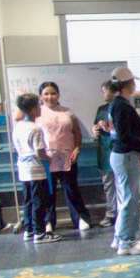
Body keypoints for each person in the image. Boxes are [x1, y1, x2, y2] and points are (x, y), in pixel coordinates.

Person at [37, 81, 93, 231]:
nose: (50, 97)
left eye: (53, 93)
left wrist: (77, 149)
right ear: (40, 96)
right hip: (47, 159)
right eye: (46, 94)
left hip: (68, 157)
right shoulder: (37, 114)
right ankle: (48, 221)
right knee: (48, 191)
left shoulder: (68, 112)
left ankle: (80, 218)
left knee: (71, 189)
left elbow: (77, 132)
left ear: (58, 95)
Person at [107, 67, 140, 255]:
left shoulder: (117, 104)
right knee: (131, 199)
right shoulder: (122, 106)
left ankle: (120, 237)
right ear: (127, 84)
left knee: (126, 198)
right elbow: (125, 135)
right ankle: (127, 241)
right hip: (126, 155)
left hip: (122, 155)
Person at [14, 93, 61, 244]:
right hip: (35, 169)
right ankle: (40, 233)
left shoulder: (18, 126)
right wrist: (49, 157)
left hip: (23, 168)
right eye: (39, 105)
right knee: (38, 201)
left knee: (28, 200)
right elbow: (39, 152)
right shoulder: (35, 128)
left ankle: (29, 230)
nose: (41, 108)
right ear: (34, 109)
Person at [92, 81, 117, 228]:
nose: (103, 94)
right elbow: (96, 126)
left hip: (118, 150)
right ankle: (111, 213)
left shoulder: (121, 107)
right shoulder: (101, 109)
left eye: (104, 91)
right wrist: (95, 130)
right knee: (108, 184)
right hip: (105, 151)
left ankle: (124, 213)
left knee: (121, 184)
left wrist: (109, 128)